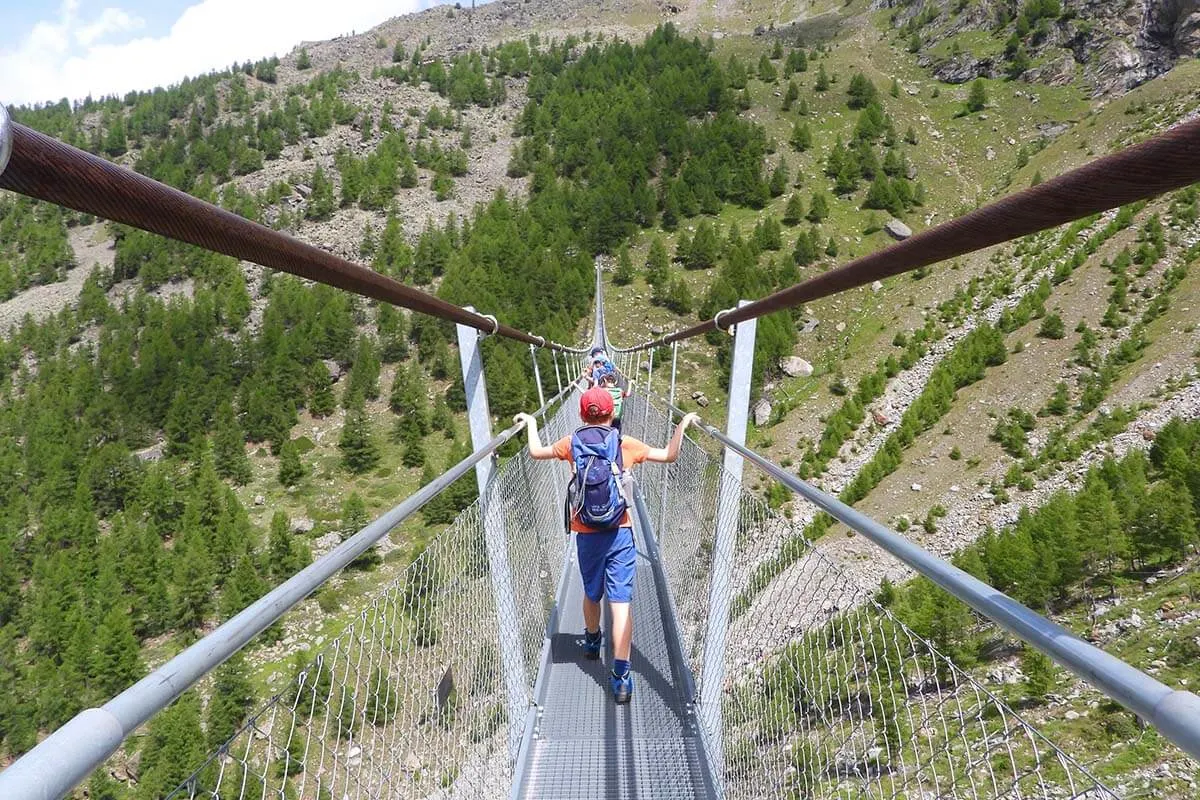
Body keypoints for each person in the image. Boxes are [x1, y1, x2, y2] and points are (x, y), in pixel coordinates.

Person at [514, 388, 698, 704]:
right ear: (612, 414)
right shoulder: (624, 444)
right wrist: (684, 423)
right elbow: (670, 454)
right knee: (621, 603)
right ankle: (621, 678)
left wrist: (531, 422)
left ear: (582, 414)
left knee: (591, 593)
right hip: (620, 532)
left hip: (585, 533)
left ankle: (591, 641)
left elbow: (535, 451)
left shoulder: (571, 443)